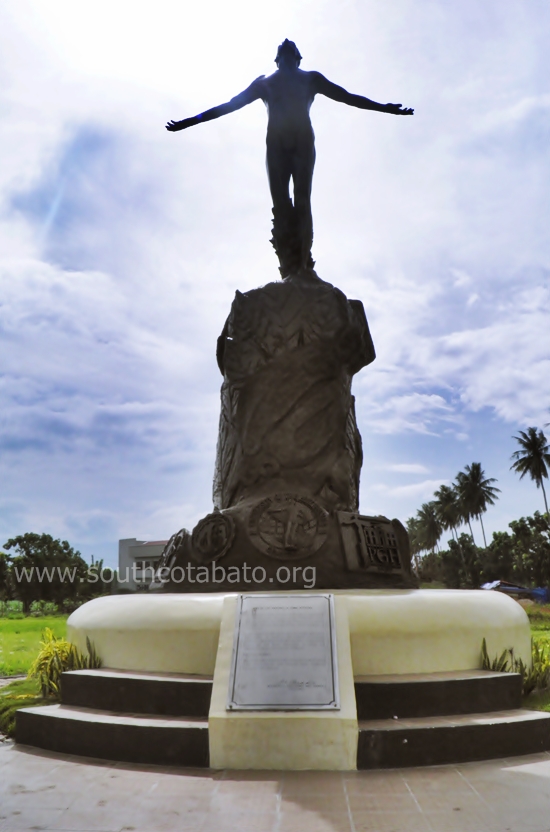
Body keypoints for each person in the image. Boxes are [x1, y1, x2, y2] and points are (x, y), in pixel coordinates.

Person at [166, 39, 413, 276]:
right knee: (281, 205)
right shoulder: (263, 83)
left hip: (302, 141)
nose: (286, 41)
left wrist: (385, 108)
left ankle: (304, 266)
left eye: (291, 46)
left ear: (297, 57)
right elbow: (229, 106)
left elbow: (347, 97)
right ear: (277, 59)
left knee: (303, 200)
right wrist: (191, 121)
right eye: (283, 46)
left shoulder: (311, 79)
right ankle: (288, 267)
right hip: (276, 144)